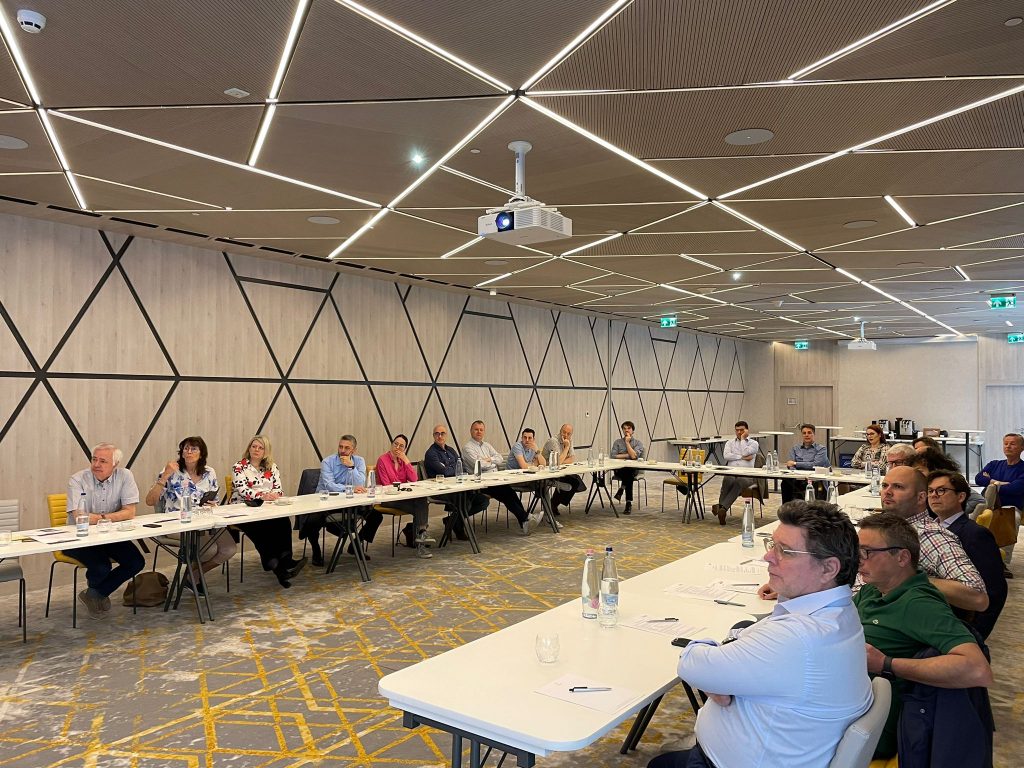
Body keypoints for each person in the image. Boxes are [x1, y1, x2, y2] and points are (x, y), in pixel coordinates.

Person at [648, 501, 872, 768]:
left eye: (785, 551)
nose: (768, 557)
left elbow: (691, 663)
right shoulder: (839, 613)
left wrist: (713, 665)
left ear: (828, 569)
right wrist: (720, 671)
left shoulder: (797, 638)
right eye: (772, 545)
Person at [854, 513, 993, 760]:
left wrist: (886, 663)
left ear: (902, 557)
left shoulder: (918, 604)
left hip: (867, 728)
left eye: (867, 552)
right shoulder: (872, 591)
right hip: (848, 704)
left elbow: (977, 669)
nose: (858, 560)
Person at [878, 466, 988, 612]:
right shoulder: (895, 528)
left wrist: (907, 579)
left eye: (898, 487)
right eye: (885, 485)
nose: (887, 492)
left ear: (921, 497)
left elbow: (977, 596)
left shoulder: (928, 535)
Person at [143, 435, 236, 594]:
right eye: (186, 448)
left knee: (229, 549)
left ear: (202, 453)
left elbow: (215, 502)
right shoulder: (171, 471)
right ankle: (193, 577)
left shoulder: (209, 472)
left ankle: (192, 576)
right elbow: (150, 501)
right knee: (209, 550)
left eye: (193, 449)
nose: (189, 452)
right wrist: (164, 476)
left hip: (205, 520)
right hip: (177, 523)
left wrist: (212, 504)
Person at [66, 443, 146, 619]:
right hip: (79, 537)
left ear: (115, 464)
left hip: (109, 535)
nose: (96, 464)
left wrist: (100, 518)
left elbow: (130, 512)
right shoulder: (77, 480)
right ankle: (97, 593)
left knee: (136, 562)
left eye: (103, 461)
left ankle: (95, 593)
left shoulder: (125, 476)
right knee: (102, 567)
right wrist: (113, 516)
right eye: (94, 459)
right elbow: (80, 517)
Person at [926, 471, 1006, 639]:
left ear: (961, 496)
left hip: (954, 625)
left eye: (941, 490)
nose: (933, 495)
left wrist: (975, 635)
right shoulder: (928, 529)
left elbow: (995, 590)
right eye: (930, 491)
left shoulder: (974, 534)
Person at [231, 435, 307, 587]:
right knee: (261, 530)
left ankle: (286, 560)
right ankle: (277, 568)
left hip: (267, 509)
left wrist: (274, 495)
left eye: (261, 448)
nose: (256, 450)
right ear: (249, 448)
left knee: (283, 521)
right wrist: (263, 495)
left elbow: (278, 489)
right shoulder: (239, 466)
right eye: (254, 446)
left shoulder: (272, 467)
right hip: (243, 509)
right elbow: (243, 490)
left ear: (266, 451)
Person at [312, 434, 382, 563]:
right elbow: (329, 485)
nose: (342, 450)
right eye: (340, 447)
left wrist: (351, 467)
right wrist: (349, 489)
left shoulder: (359, 461)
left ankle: (356, 544)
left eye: (347, 448)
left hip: (350, 502)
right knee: (312, 520)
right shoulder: (327, 462)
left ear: (353, 450)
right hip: (328, 501)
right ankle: (316, 550)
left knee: (376, 516)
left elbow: (360, 483)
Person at [462, 421, 539, 532]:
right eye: (476, 429)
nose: (479, 432)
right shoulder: (467, 448)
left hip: (494, 479)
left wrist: (489, 459)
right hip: (480, 482)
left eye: (481, 430)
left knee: (508, 491)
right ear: (471, 431)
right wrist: (491, 462)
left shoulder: (487, 445)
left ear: (484, 431)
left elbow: (500, 458)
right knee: (505, 492)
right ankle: (525, 518)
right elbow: (478, 464)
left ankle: (524, 521)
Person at [424, 424, 490, 540]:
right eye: (437, 434)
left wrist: (450, 468)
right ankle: (458, 527)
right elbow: (444, 472)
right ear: (433, 436)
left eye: (442, 433)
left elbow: (462, 468)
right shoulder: (431, 453)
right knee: (466, 503)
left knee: (483, 501)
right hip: (442, 490)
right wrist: (453, 468)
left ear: (446, 435)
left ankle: (451, 521)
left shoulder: (451, 450)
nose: (440, 436)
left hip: (458, 487)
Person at [974, 432, 1024, 562]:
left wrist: (990, 481)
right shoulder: (994, 464)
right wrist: (1000, 483)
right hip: (986, 503)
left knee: (1012, 518)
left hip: (1010, 506)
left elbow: (1015, 488)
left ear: (1022, 448)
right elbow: (978, 478)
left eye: (1012, 444)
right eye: (1006, 443)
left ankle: (1002, 562)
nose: (1008, 446)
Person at [711, 421, 758, 525]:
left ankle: (722, 507)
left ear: (747, 430)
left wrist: (743, 439)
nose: (739, 432)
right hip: (731, 473)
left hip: (747, 476)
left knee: (739, 481)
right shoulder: (730, 442)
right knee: (728, 479)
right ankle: (722, 509)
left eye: (742, 430)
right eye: (737, 430)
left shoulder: (754, 443)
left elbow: (745, 452)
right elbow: (726, 456)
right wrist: (742, 457)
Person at [543, 423, 586, 513]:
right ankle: (553, 505)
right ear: (560, 431)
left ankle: (553, 504)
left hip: (559, 470)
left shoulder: (569, 440)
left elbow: (572, 459)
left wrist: (561, 460)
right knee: (573, 481)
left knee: (575, 480)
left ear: (571, 435)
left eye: (568, 434)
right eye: (564, 432)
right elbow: (557, 462)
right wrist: (566, 448)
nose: (565, 435)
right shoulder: (553, 441)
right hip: (547, 472)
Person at [780, 423, 829, 503]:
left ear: (814, 434)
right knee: (785, 482)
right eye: (804, 433)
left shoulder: (821, 449)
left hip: (814, 478)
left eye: (809, 433)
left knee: (813, 484)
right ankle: (787, 508)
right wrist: (795, 471)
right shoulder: (795, 448)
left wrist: (796, 463)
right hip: (797, 478)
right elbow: (790, 464)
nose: (806, 435)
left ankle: (813, 508)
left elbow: (816, 465)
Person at [610, 421, 645, 514]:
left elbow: (634, 456)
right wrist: (628, 455)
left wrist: (627, 443)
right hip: (619, 469)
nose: (626, 430)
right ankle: (628, 503)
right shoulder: (617, 442)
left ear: (633, 431)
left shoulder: (638, 443)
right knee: (628, 474)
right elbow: (613, 456)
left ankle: (622, 490)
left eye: (629, 428)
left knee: (629, 471)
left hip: (633, 469)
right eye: (624, 429)